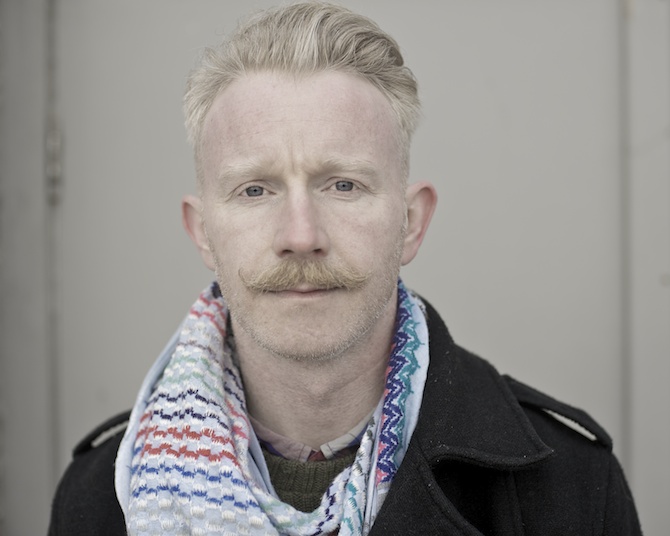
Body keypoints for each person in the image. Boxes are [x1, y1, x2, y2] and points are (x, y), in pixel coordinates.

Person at [48, 2, 642, 535]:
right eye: (255, 190)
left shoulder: (570, 488)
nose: (301, 237)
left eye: (343, 185)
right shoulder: (99, 497)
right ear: (203, 232)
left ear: (411, 222)